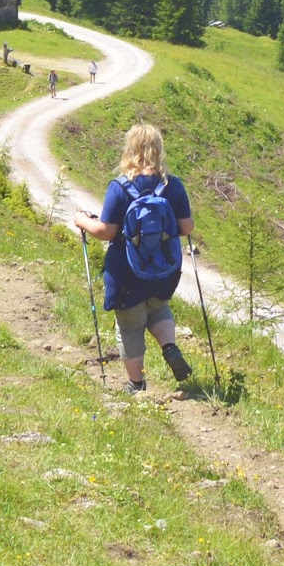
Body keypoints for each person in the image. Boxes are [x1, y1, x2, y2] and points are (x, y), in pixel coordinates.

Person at [72, 122, 196, 392]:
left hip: (127, 270)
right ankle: (169, 347)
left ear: (131, 149)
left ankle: (136, 384)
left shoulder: (121, 186)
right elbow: (186, 228)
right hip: (164, 268)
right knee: (158, 308)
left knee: (130, 327)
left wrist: (82, 220)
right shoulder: (172, 186)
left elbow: (106, 232)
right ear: (158, 149)